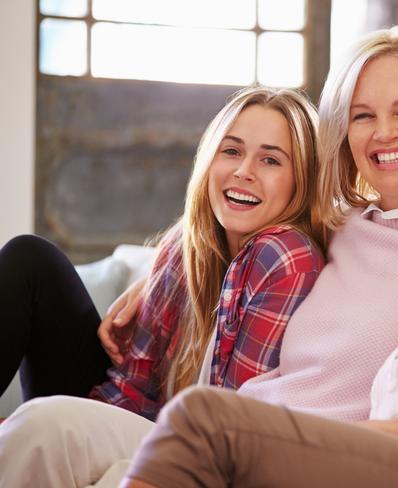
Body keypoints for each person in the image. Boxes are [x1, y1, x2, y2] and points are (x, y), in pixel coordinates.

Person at [2, 26, 398, 487]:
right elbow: (243, 203)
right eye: (364, 116)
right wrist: (155, 267)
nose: (385, 133)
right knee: (42, 426)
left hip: (310, 451)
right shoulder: (337, 224)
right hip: (232, 424)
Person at [0, 86, 325, 483]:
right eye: (232, 151)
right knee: (31, 258)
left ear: (302, 180)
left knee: (43, 422)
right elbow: (133, 381)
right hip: (140, 412)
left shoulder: (285, 256)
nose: (244, 171)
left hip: (189, 439)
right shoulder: (188, 243)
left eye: (271, 159)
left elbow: (232, 421)